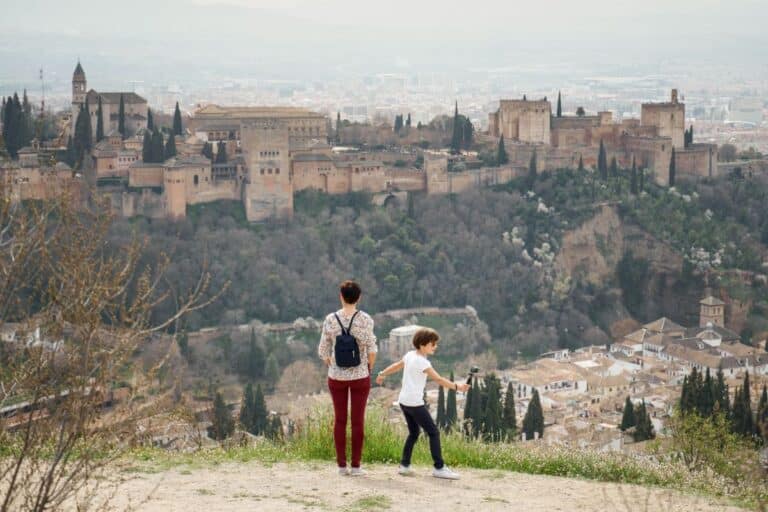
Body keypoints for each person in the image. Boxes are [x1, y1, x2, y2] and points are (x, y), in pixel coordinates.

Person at [376, 327, 469, 479]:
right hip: (414, 403)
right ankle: (439, 468)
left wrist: (382, 373)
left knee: (414, 433)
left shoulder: (410, 355)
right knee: (433, 432)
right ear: (423, 344)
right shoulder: (422, 362)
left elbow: (397, 366)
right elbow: (438, 379)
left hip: (404, 401)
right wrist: (458, 387)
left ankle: (404, 466)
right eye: (433, 344)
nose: (435, 347)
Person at [318, 280, 377, 476]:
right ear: (359, 298)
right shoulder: (366, 319)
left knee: (340, 420)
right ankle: (356, 465)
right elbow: (372, 349)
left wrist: (334, 365)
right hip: (360, 375)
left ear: (341, 296)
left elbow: (323, 351)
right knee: (358, 420)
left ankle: (341, 466)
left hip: (336, 377)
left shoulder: (330, 319)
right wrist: (367, 368)